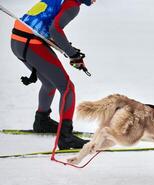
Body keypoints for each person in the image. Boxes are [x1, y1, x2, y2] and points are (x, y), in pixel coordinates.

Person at [10, 0, 96, 149]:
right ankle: (65, 137)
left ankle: (41, 121)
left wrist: (71, 51)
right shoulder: (72, 5)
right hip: (31, 44)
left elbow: (47, 31)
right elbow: (55, 30)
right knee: (67, 88)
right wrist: (73, 54)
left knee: (49, 83)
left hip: (18, 42)